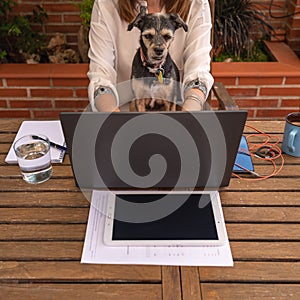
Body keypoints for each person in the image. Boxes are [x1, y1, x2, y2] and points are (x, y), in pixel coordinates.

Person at [88, 0, 214, 112]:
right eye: (148, 36)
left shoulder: (197, 4)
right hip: (123, 114)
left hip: (178, 114)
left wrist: (186, 117)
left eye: (166, 37)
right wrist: (115, 119)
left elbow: (198, 71)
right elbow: (101, 75)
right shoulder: (106, 4)